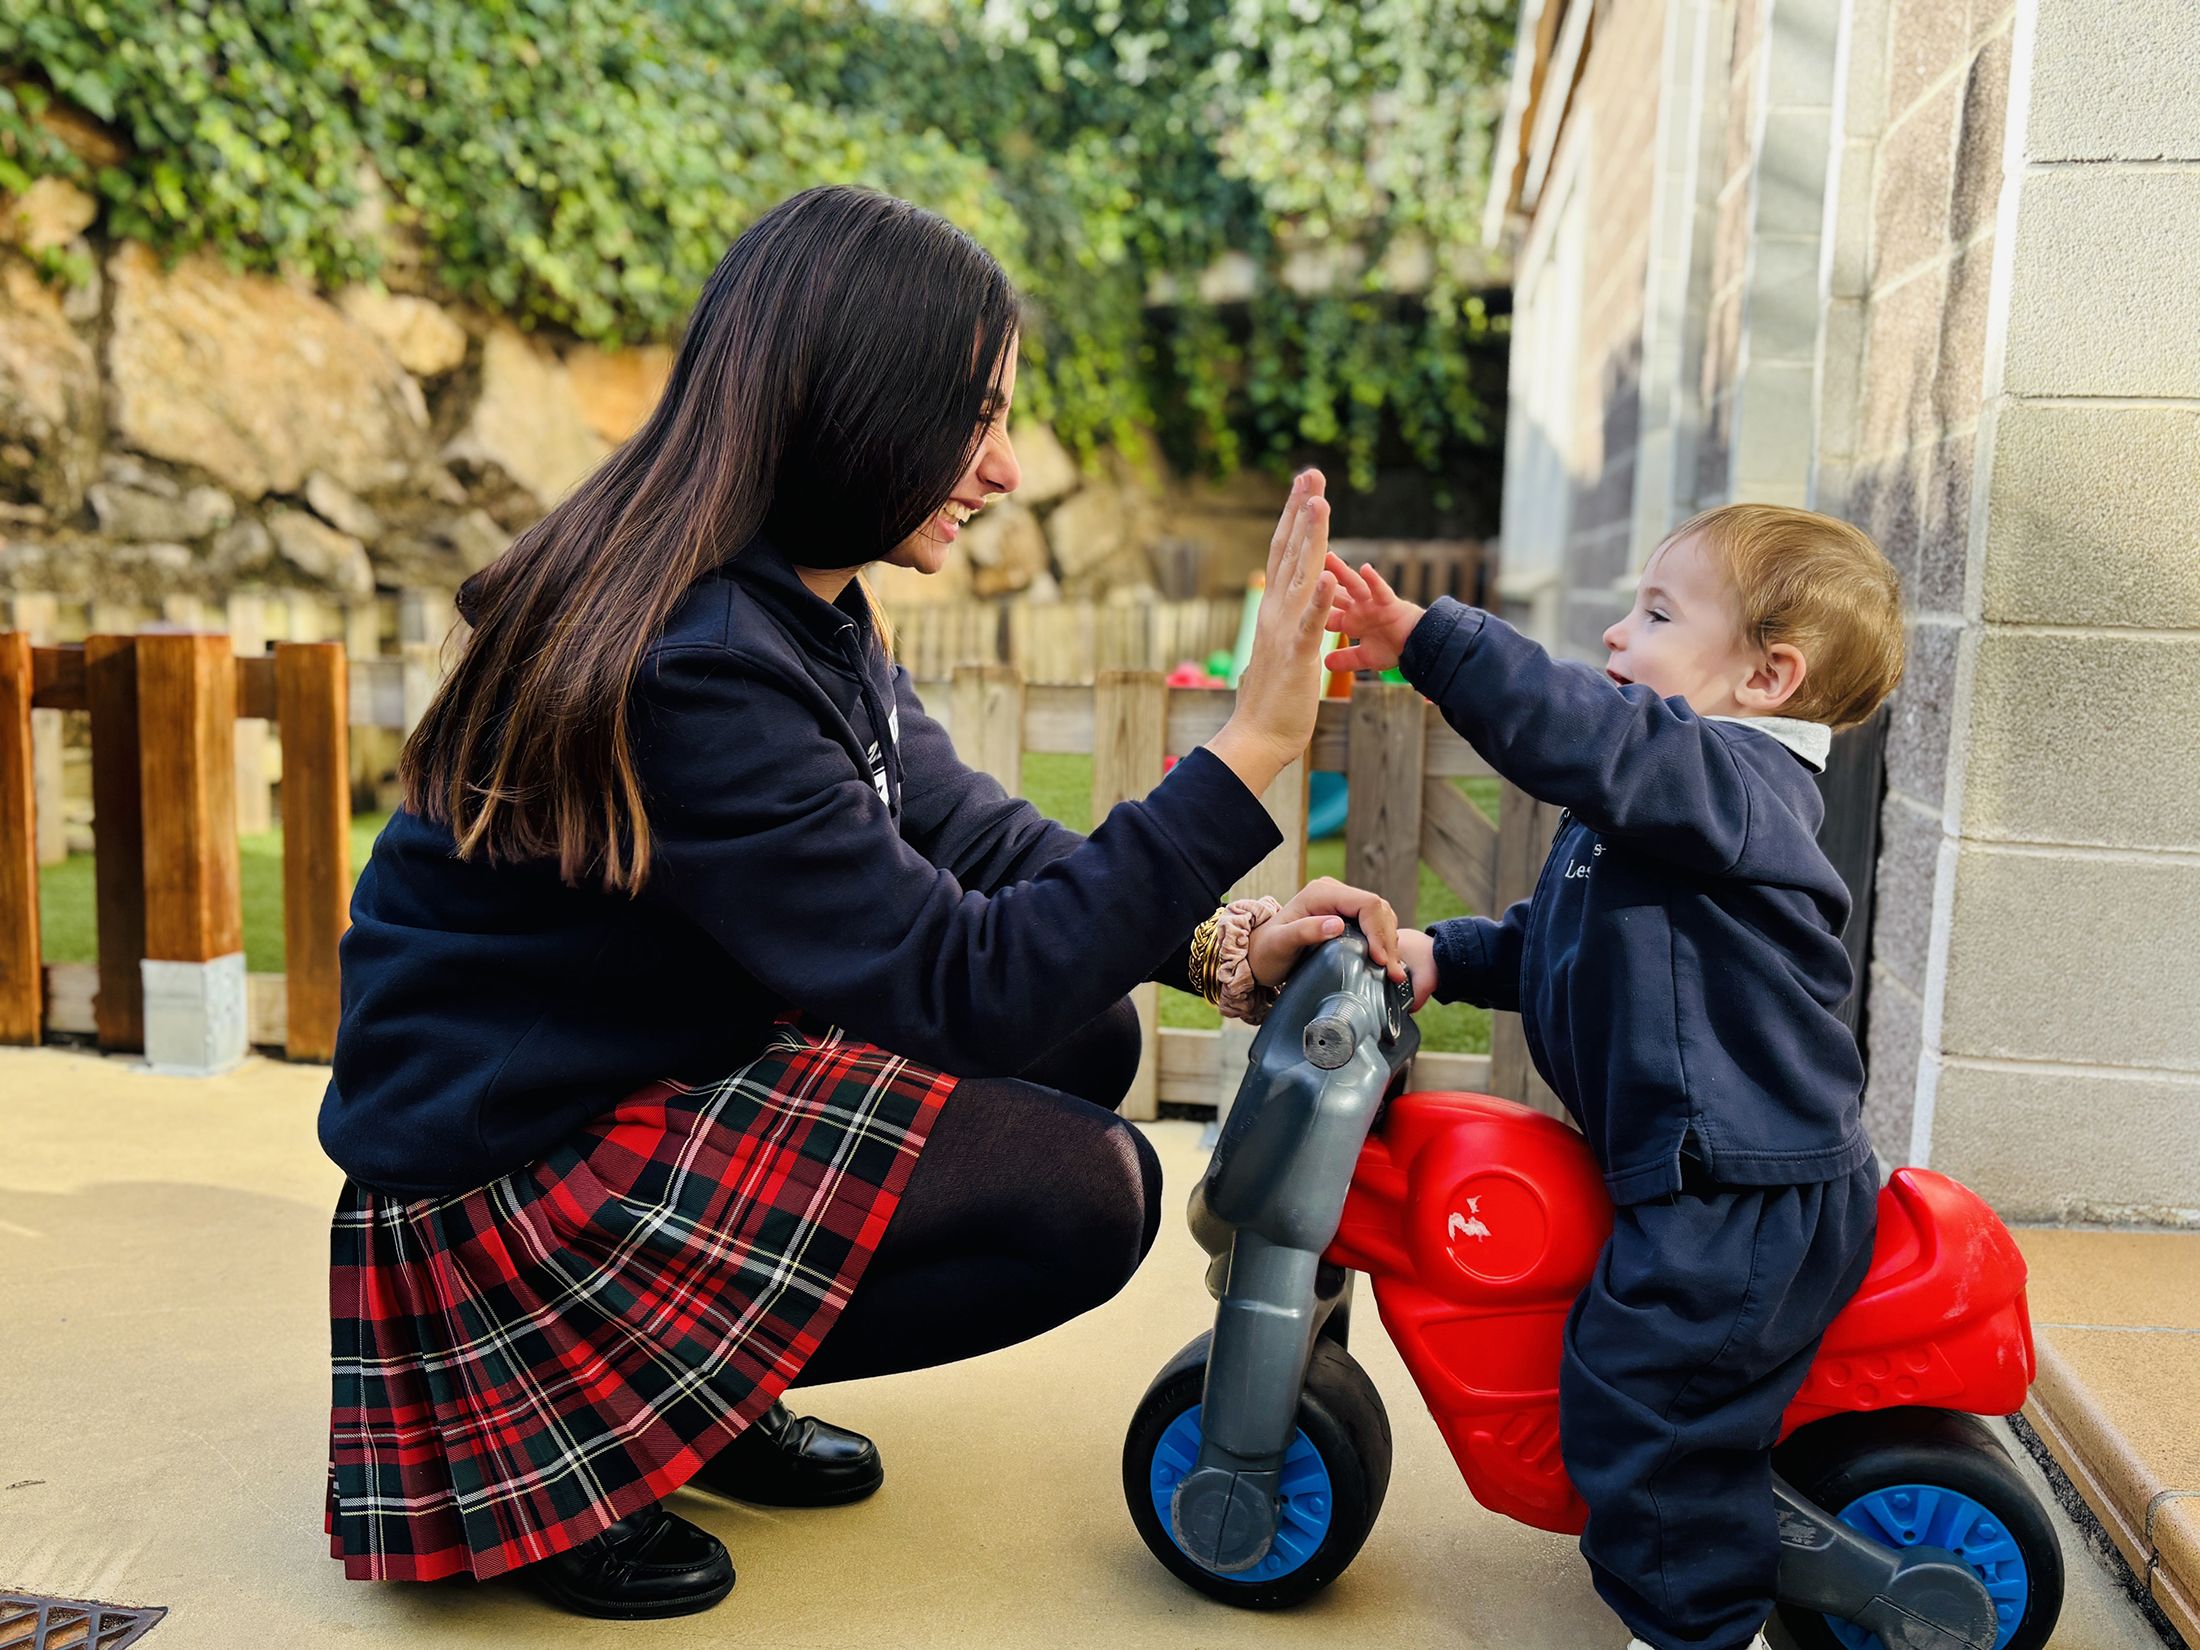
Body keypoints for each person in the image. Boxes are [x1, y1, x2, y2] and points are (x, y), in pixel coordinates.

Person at [318, 184, 1403, 1620]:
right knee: (1084, 1192)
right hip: (507, 1190)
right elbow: (964, 986)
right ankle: (586, 1440)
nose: (1005, 468)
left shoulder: (792, 598)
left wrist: (1223, 944)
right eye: (976, 419)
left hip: (643, 1075)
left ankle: (701, 1384)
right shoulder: (693, 661)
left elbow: (969, 833)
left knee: (1087, 1038)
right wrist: (1251, 743)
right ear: (856, 405)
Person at [1324, 504, 1907, 1650]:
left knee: (1647, 1405)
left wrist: (1430, 643)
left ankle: (1696, 1631)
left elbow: (1588, 735)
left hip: (1740, 1194)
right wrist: (1449, 956)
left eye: (1656, 614)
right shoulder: (1684, 807)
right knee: (1623, 1380)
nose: (1613, 633)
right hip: (1701, 1172)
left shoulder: (1729, 782)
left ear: (1766, 678)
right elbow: (1574, 935)